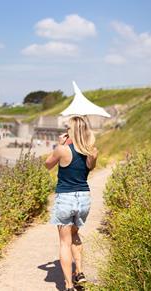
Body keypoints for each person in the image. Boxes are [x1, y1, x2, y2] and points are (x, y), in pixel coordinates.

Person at [45, 116, 98, 291]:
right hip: (83, 198)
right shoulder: (92, 151)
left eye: (68, 128)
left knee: (64, 243)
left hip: (66, 198)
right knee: (75, 235)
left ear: (72, 130)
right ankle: (80, 272)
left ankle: (68, 285)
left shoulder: (62, 150)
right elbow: (89, 168)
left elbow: (47, 165)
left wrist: (59, 144)